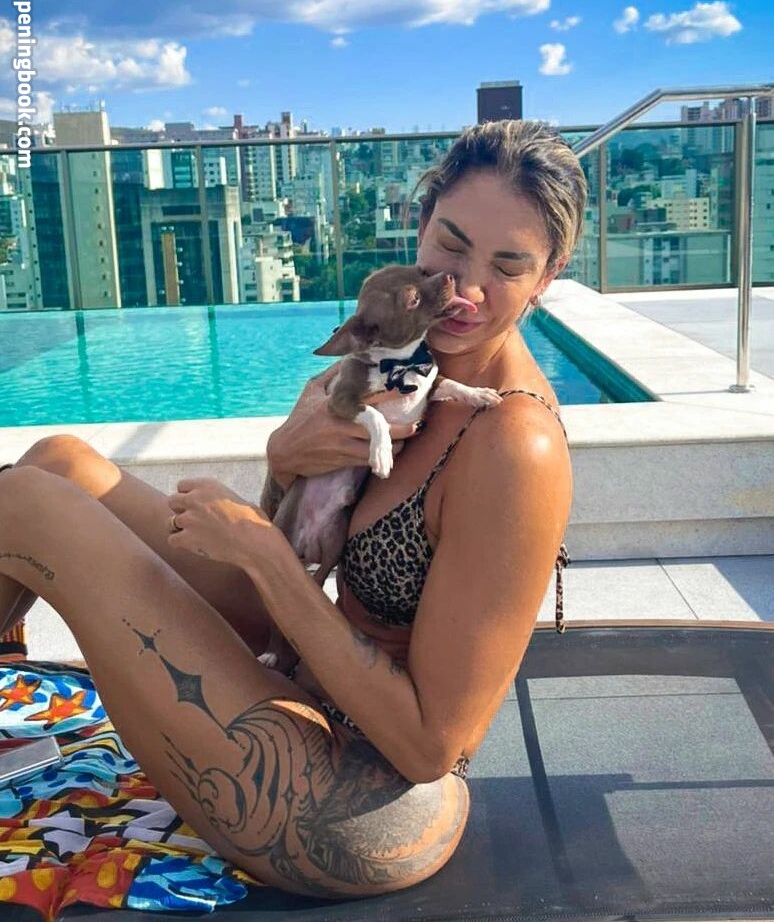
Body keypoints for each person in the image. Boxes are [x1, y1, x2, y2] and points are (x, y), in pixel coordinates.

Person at [0, 119, 584, 900]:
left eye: (508, 266)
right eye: (451, 244)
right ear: (420, 223)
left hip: (357, 802)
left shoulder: (513, 444)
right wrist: (282, 462)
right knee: (58, 464)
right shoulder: (399, 359)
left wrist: (264, 556)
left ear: (548, 276)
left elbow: (429, 747)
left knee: (26, 505)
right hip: (301, 680)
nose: (466, 290)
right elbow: (301, 539)